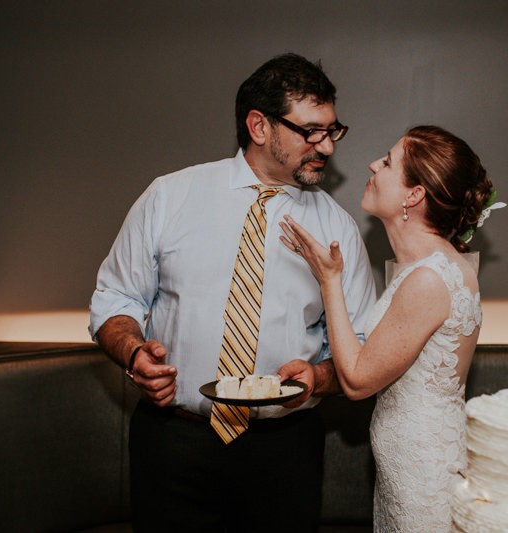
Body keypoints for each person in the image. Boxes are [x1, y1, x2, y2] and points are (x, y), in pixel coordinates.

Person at [89, 53, 377, 532]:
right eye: (310, 131)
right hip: (174, 441)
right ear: (259, 126)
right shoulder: (169, 196)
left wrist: (319, 377)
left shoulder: (336, 228)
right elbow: (115, 301)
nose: (325, 146)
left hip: (286, 450)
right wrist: (135, 353)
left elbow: (361, 341)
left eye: (332, 130)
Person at [280, 125, 503, 531]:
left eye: (386, 162)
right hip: (408, 466)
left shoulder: (429, 279)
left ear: (413, 195)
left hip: (423, 475)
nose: (372, 165)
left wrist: (330, 280)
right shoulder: (427, 269)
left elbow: (358, 381)